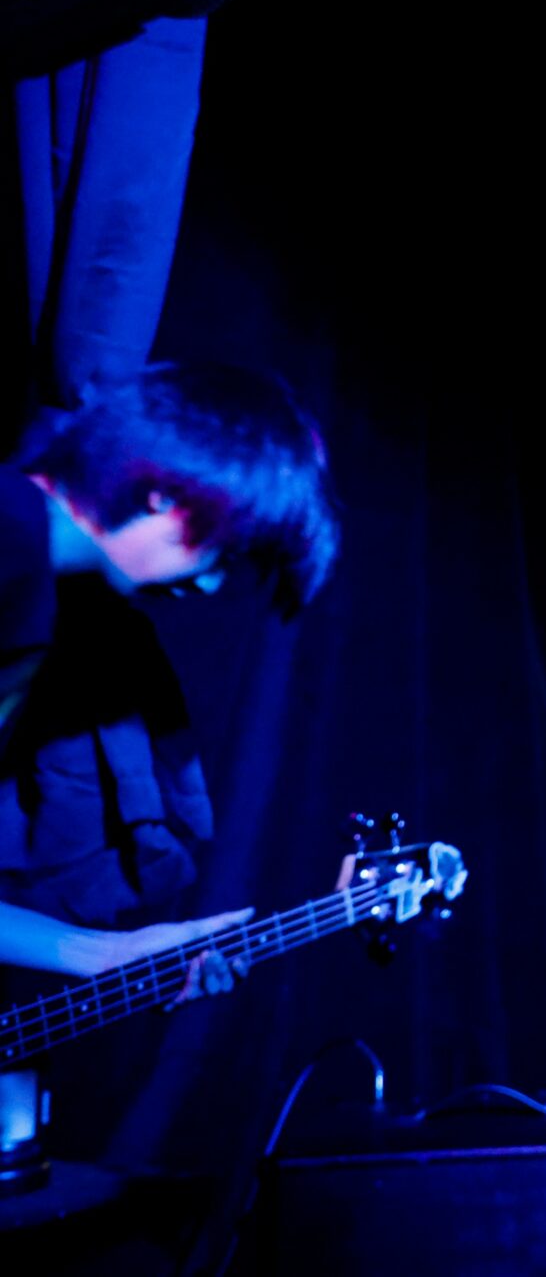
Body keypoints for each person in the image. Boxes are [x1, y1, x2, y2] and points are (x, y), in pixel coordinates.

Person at [0, 361, 339, 994]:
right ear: (165, 493)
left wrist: (104, 953)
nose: (210, 584)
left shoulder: (42, 596)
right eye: (225, 552)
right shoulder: (12, 539)